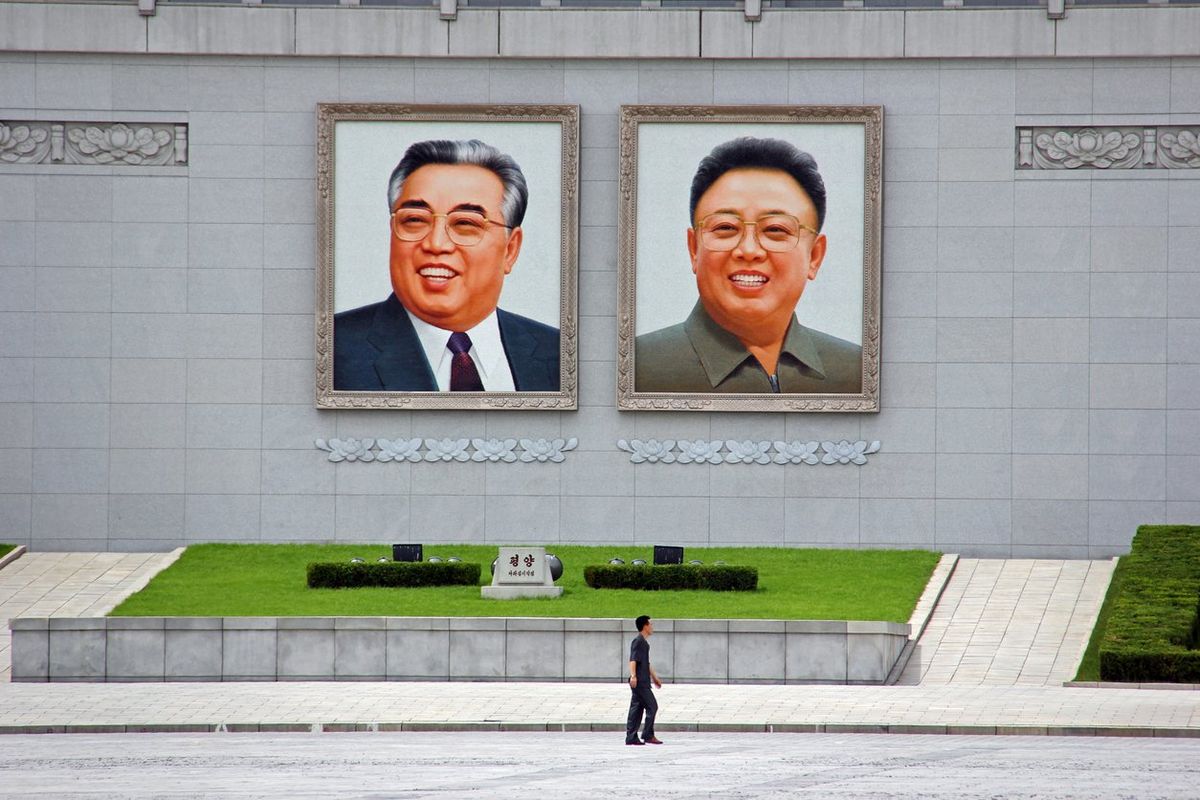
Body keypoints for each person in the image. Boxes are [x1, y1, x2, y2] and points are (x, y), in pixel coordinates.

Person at [634, 136, 862, 394]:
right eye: (726, 227)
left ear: (815, 256)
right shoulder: (638, 368)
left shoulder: (856, 371)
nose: (749, 250)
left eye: (775, 229)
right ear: (694, 249)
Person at [334, 139, 560, 392]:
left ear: (510, 249)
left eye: (465, 223)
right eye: (415, 220)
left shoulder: (559, 354)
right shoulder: (331, 350)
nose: (436, 244)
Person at [625, 614, 663, 746]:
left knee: (637, 709)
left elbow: (646, 663)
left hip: (642, 680)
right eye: (650, 624)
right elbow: (633, 660)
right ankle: (647, 734)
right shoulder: (638, 641)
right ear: (645, 626)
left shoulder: (644, 643)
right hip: (640, 682)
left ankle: (631, 737)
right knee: (652, 706)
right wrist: (633, 676)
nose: (652, 627)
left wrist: (654, 678)